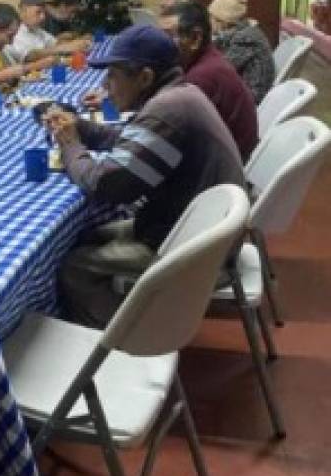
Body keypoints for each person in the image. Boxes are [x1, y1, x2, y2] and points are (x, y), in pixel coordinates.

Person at [47, 25, 244, 328]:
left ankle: (123, 343)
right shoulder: (181, 94)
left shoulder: (167, 110)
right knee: (89, 232)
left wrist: (71, 145)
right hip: (197, 230)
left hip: (194, 250)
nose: (106, 85)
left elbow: (105, 184)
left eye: (113, 75)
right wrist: (83, 128)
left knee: (75, 267)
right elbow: (133, 142)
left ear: (145, 77)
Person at [160, 1, 258, 162]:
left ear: (195, 39)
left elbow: (171, 139)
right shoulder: (207, 61)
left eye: (168, 36)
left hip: (223, 172)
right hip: (229, 160)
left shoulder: (201, 78)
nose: (159, 44)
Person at [208, 0, 275, 103]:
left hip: (250, 99)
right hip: (250, 91)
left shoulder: (245, 39)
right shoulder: (245, 30)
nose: (209, 21)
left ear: (222, 21)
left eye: (211, 17)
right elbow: (218, 43)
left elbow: (220, 71)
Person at [6, 0, 91, 64]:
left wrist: (78, 43)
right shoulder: (15, 32)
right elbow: (30, 55)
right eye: (38, 12)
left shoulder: (37, 30)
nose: (43, 17)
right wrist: (65, 48)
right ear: (23, 10)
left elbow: (55, 43)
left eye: (44, 12)